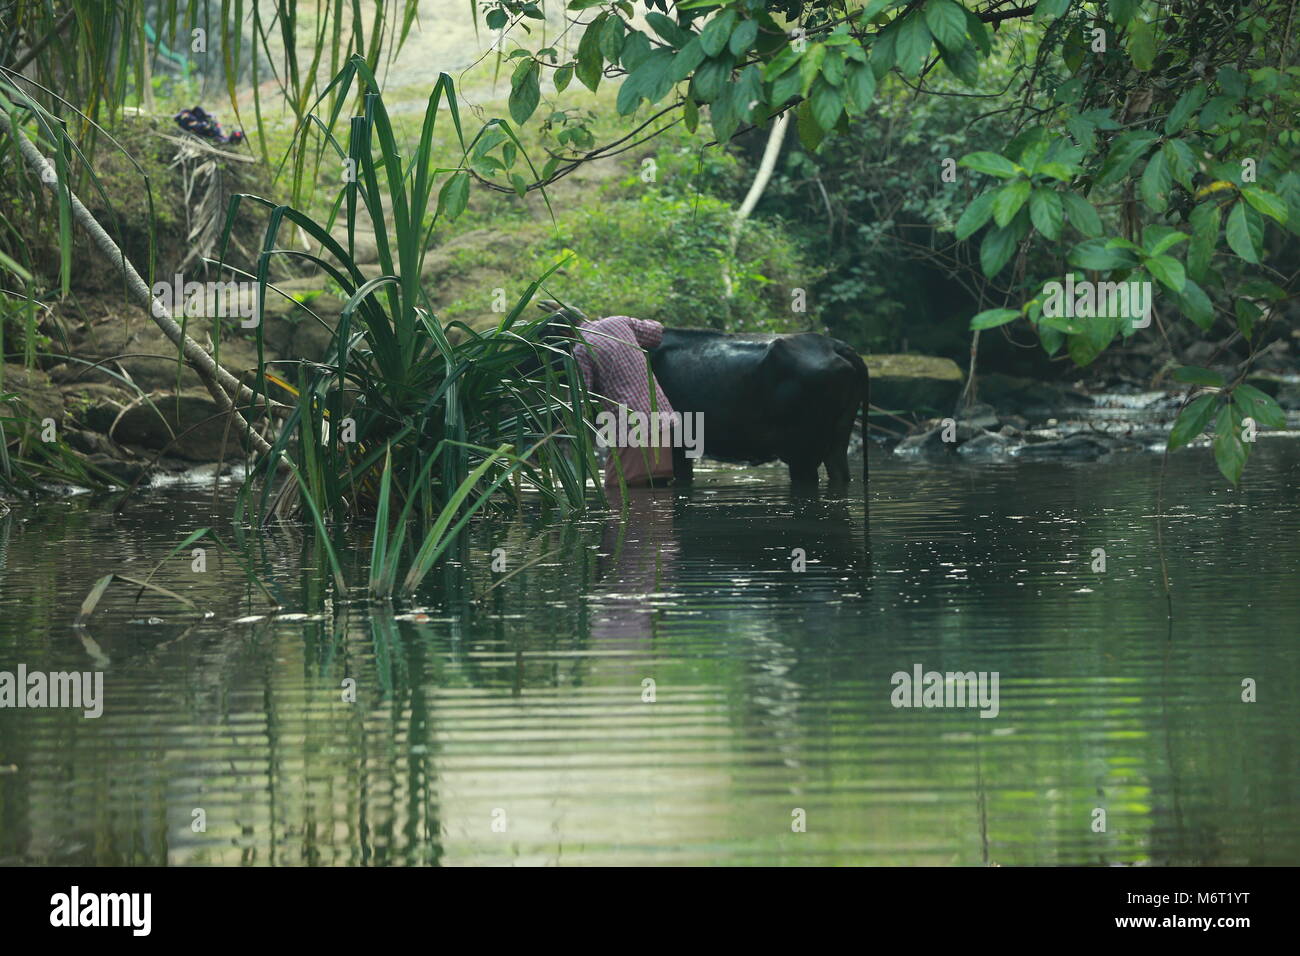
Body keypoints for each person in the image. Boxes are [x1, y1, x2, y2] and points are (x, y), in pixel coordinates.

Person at [567, 313, 680, 490]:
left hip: (630, 427)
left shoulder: (580, 350)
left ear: (565, 333)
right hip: (661, 418)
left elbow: (581, 400)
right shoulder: (619, 322)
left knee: (617, 490)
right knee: (658, 487)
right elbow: (657, 332)